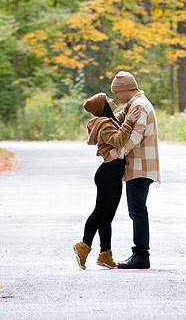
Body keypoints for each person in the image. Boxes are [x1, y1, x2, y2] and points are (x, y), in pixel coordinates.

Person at [103, 69, 160, 269]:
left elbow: (135, 137)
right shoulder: (132, 104)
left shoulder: (140, 106)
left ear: (126, 89)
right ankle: (139, 253)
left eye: (117, 92)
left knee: (137, 210)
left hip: (141, 165)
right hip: (137, 165)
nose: (115, 96)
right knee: (136, 210)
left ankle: (141, 255)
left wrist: (115, 154)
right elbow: (117, 123)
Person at [73, 92, 126, 270]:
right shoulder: (104, 124)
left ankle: (105, 255)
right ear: (103, 106)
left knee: (107, 217)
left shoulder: (109, 120)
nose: (112, 100)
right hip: (108, 174)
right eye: (109, 100)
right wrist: (131, 124)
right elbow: (118, 141)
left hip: (113, 174)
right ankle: (83, 246)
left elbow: (119, 124)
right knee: (100, 212)